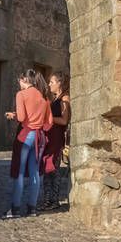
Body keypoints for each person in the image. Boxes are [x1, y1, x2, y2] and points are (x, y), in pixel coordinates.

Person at [4, 69, 52, 218]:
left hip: (26, 135)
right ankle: (32, 208)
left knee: (19, 172)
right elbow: (49, 122)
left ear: (24, 79)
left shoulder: (21, 94)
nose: (19, 84)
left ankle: (15, 209)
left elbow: (22, 117)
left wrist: (14, 115)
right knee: (35, 172)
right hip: (39, 137)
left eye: (19, 81)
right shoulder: (44, 96)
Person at [42, 71, 71, 210]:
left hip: (57, 139)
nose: (49, 84)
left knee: (54, 168)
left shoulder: (65, 99)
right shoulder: (54, 99)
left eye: (52, 82)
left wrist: (48, 119)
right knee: (47, 168)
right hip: (49, 137)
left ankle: (54, 200)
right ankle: (47, 200)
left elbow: (64, 120)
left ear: (59, 83)